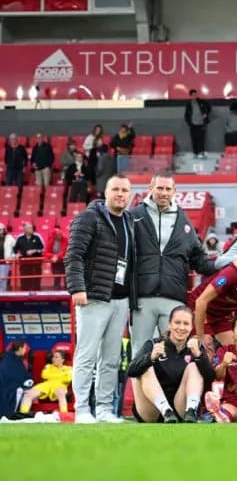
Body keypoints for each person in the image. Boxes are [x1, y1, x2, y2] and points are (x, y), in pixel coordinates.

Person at [65, 175, 135, 423]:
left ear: (130, 195)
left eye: (125, 190)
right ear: (105, 192)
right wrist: (77, 288)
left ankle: (105, 410)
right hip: (93, 296)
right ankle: (82, 410)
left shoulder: (129, 220)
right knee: (86, 355)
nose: (120, 194)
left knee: (111, 358)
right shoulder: (88, 217)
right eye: (115, 189)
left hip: (120, 300)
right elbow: (73, 255)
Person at [129, 172, 217, 349]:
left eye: (168, 189)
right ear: (150, 189)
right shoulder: (134, 215)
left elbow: (198, 258)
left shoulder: (183, 219)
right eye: (159, 188)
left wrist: (222, 264)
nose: (164, 192)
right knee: (140, 352)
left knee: (173, 354)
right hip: (142, 298)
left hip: (174, 297)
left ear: (174, 191)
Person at [126, 306, 214, 423]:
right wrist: (151, 357)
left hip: (180, 408)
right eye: (177, 323)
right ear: (169, 324)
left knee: (194, 366)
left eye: (186, 324)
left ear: (191, 327)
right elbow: (130, 371)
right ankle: (166, 410)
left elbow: (210, 377)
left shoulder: (195, 346)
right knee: (146, 367)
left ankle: (191, 410)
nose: (181, 327)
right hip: (153, 411)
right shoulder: (154, 344)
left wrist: (199, 356)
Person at [16, 348, 73, 416]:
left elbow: (68, 379)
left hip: (60, 386)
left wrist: (53, 376)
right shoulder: (48, 366)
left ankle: (64, 415)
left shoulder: (69, 369)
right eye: (53, 357)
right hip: (46, 385)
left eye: (56, 357)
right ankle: (23, 414)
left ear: (62, 360)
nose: (53, 359)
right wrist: (61, 376)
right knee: (28, 394)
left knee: (61, 393)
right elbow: (44, 375)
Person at [0, 340, 31, 418]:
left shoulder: (18, 359)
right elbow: (8, 374)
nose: (25, 350)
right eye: (24, 348)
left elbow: (22, 374)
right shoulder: (9, 358)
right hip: (6, 385)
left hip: (11, 383)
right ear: (20, 349)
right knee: (18, 390)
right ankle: (12, 412)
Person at [13, 222, 45, 290]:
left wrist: (35, 251)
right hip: (24, 264)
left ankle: (37, 296)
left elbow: (42, 249)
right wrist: (17, 254)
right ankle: (24, 296)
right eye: (29, 228)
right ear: (25, 229)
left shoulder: (37, 237)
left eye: (32, 227)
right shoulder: (20, 238)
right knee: (25, 280)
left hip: (36, 263)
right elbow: (15, 249)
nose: (31, 229)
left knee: (36, 280)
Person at [184, 89, 211, 159]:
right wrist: (189, 122)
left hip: (201, 124)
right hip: (193, 125)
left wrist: (206, 114)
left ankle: (201, 153)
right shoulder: (188, 104)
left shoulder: (201, 102)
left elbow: (209, 108)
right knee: (194, 139)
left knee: (201, 139)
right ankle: (195, 153)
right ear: (190, 96)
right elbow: (186, 115)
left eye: (195, 95)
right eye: (193, 95)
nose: (194, 96)